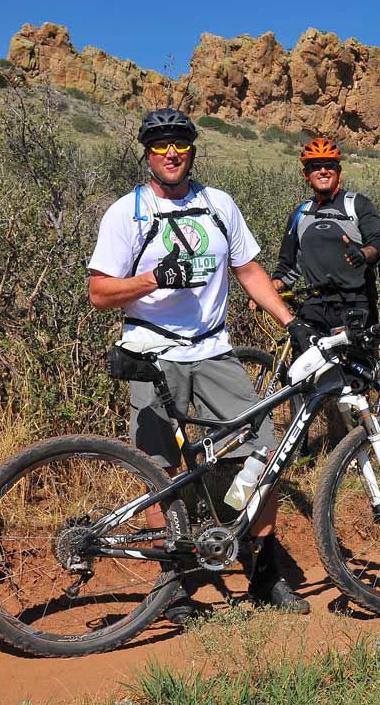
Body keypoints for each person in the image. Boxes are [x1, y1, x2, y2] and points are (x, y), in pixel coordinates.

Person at [88, 108, 314, 618]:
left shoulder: (218, 205)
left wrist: (288, 321)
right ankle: (173, 583)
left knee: (264, 453)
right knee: (163, 470)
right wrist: (152, 279)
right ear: (147, 153)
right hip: (152, 353)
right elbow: (100, 292)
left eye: (181, 144)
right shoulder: (127, 212)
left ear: (192, 150)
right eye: (161, 145)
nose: (172, 152)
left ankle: (264, 574)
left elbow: (249, 269)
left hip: (214, 352)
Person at [271, 138, 380, 339]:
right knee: (303, 366)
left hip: (357, 302)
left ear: (339, 171)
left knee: (357, 368)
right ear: (306, 175)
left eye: (329, 166)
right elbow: (287, 265)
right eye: (315, 167)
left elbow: (378, 243)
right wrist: (264, 292)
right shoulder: (300, 213)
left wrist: (363, 254)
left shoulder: (357, 204)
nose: (323, 171)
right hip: (315, 305)